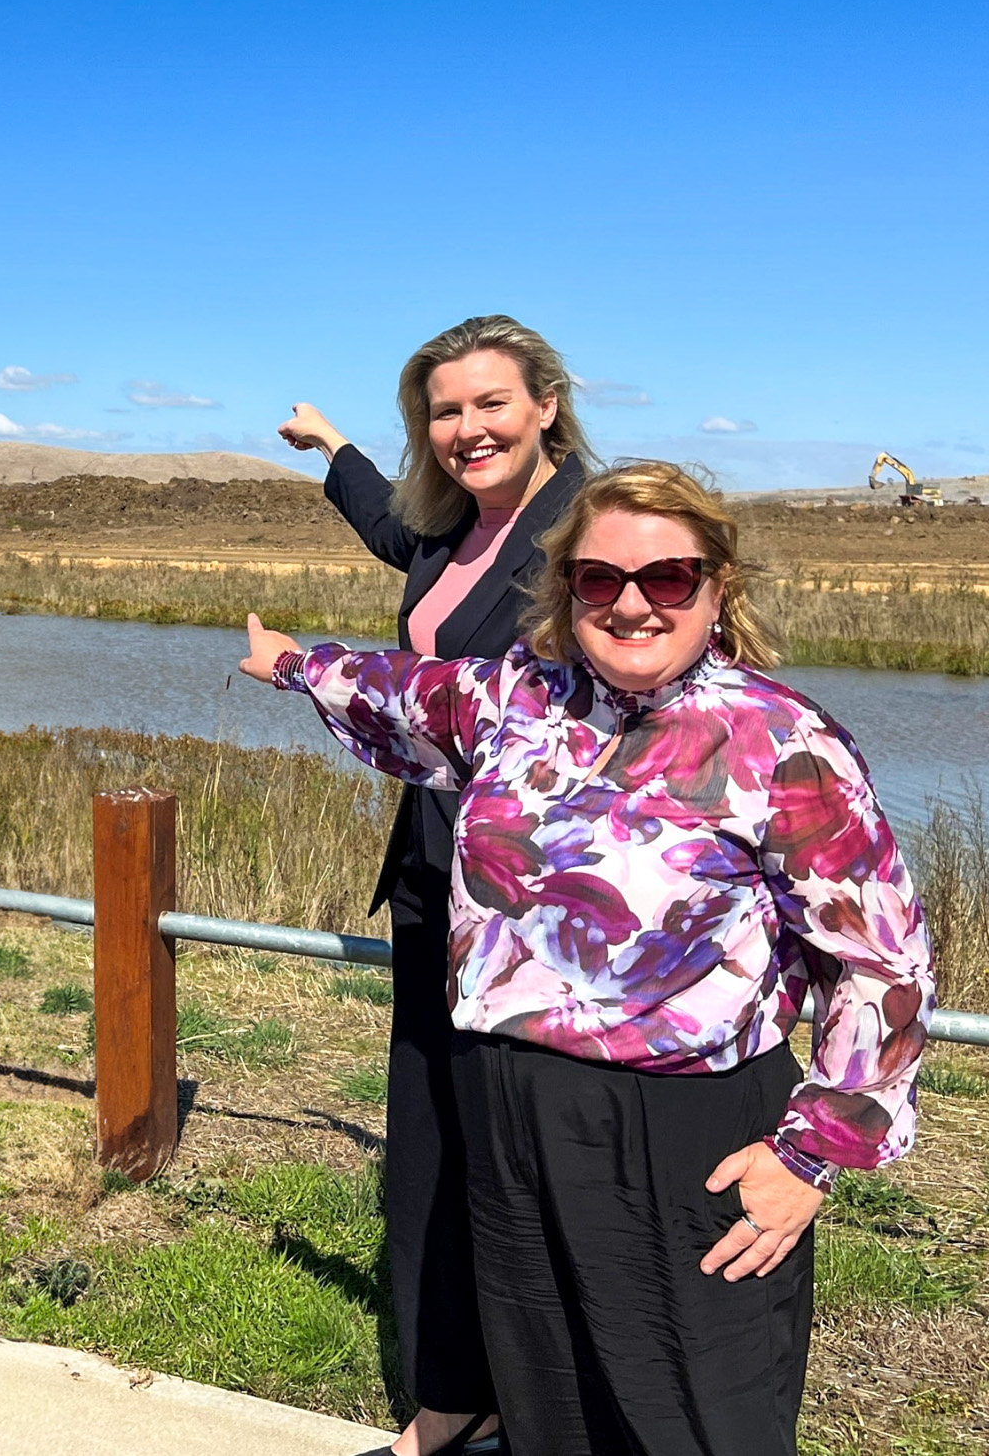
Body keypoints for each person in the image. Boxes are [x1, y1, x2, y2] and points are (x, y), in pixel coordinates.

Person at [242, 461, 934, 1456]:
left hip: (681, 1130)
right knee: (547, 1393)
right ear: (565, 590)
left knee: (692, 1412)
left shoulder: (781, 744)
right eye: (600, 579)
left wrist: (810, 1155)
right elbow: (394, 692)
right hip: (509, 1105)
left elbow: (882, 963)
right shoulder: (513, 701)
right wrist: (291, 665)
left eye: (666, 578)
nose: (631, 604)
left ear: (716, 589)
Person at [280, 315, 589, 1456]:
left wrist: (303, 670)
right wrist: (332, 447)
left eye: (488, 404)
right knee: (435, 1134)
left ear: (546, 403)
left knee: (511, 1145)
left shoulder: (582, 533)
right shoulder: (461, 527)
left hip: (532, 908)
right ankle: (454, 1399)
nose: (465, 430)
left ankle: (519, 1397)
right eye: (444, 412)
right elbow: (391, 535)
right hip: (431, 875)